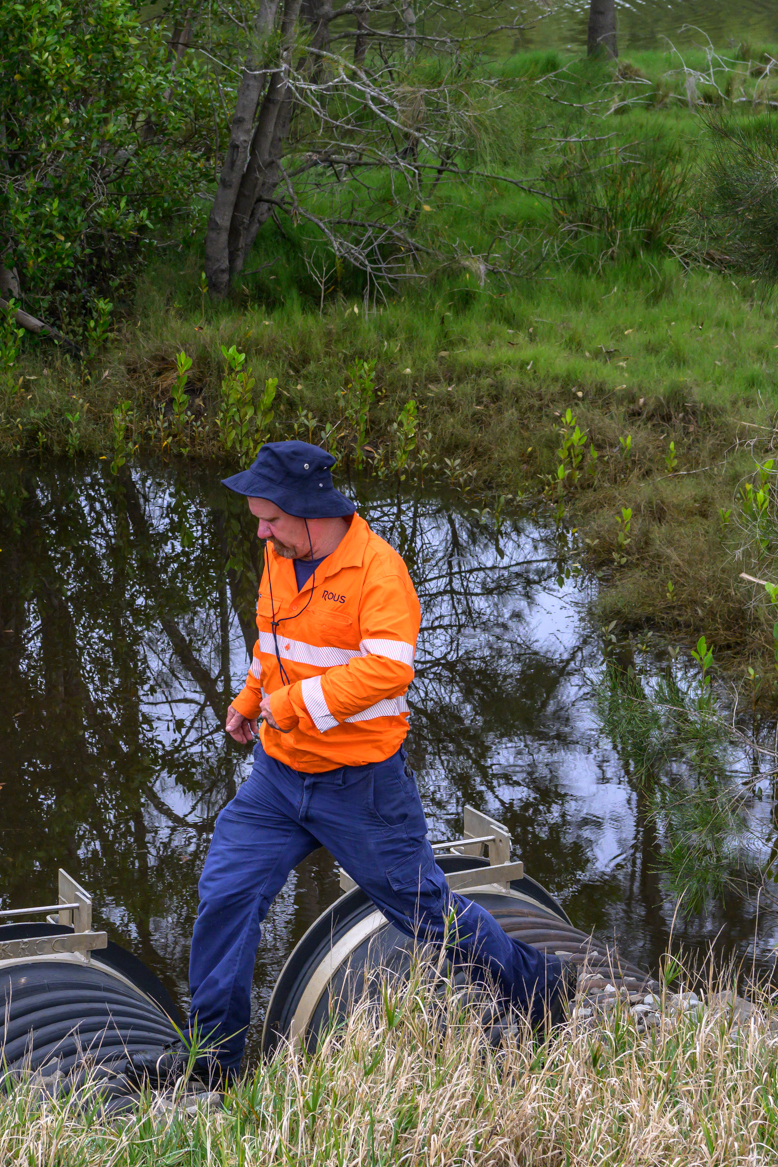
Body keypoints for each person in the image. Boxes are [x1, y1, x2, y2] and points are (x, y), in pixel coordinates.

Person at [186, 440, 564, 1078]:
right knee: (225, 892)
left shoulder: (379, 572)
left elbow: (388, 671)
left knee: (424, 911)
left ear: (309, 509)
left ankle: (538, 989)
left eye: (270, 519)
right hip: (277, 780)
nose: (261, 532)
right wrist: (250, 699)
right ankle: (212, 1062)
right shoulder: (281, 556)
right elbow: (271, 642)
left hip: (359, 787)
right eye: (258, 519)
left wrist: (295, 703)